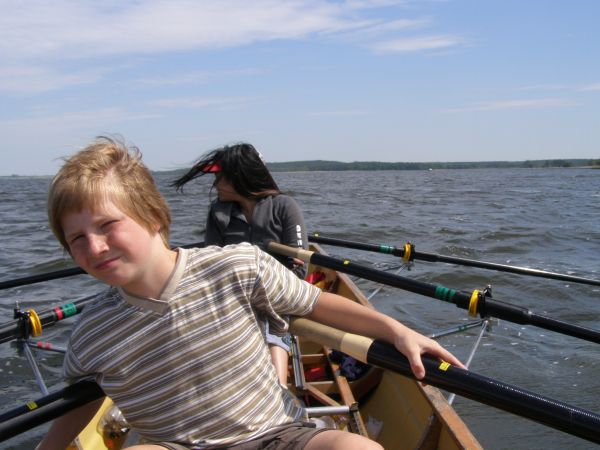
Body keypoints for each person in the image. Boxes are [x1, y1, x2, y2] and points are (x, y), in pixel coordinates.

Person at [38, 136, 464, 450]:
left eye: (108, 225)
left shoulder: (240, 263)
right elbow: (75, 406)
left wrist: (395, 330)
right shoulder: (92, 335)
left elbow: (317, 301)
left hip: (277, 434)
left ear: (153, 218)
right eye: (76, 239)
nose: (93, 247)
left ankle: (283, 374)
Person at [171, 143, 306, 386]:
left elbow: (300, 269)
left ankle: (278, 389)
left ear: (238, 179)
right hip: (233, 293)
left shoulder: (284, 207)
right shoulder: (218, 213)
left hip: (280, 292)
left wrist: (262, 287)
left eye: (219, 178)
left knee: (269, 316)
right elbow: (210, 262)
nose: (215, 185)